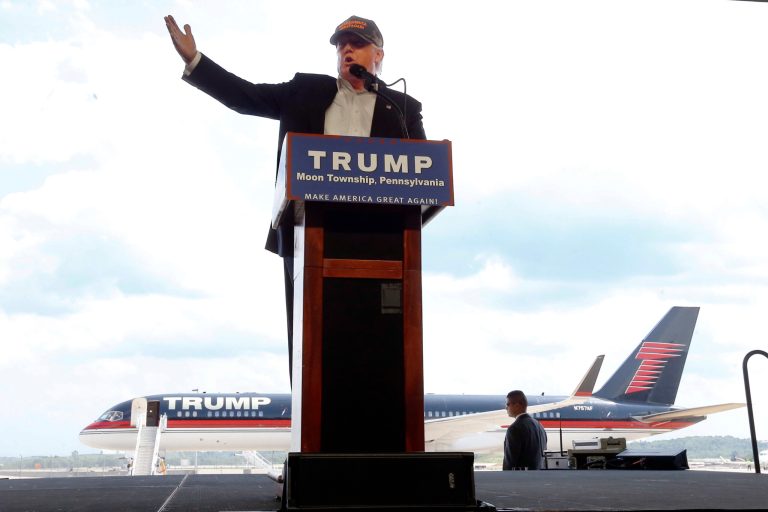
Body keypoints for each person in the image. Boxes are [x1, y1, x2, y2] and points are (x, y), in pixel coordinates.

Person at [163, 14, 426, 382]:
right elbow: (244, 95)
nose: (346, 50)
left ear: (378, 55)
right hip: (309, 239)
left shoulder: (401, 108)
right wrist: (195, 60)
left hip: (379, 244)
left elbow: (423, 172)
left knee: (376, 353)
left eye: (357, 44)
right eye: (341, 45)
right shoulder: (304, 91)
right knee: (313, 354)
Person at [503, 390, 548, 470]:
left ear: (517, 405)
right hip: (539, 476)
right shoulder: (539, 426)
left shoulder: (514, 428)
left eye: (508, 404)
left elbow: (510, 464)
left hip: (521, 477)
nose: (506, 408)